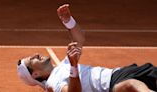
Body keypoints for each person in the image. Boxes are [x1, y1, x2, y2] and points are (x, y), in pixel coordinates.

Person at [17, 4, 157, 92]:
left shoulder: (62, 66)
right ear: (35, 74)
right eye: (31, 60)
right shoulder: (54, 84)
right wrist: (74, 67)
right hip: (113, 84)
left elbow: (79, 39)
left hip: (120, 73)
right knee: (131, 85)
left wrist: (68, 21)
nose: (35, 54)